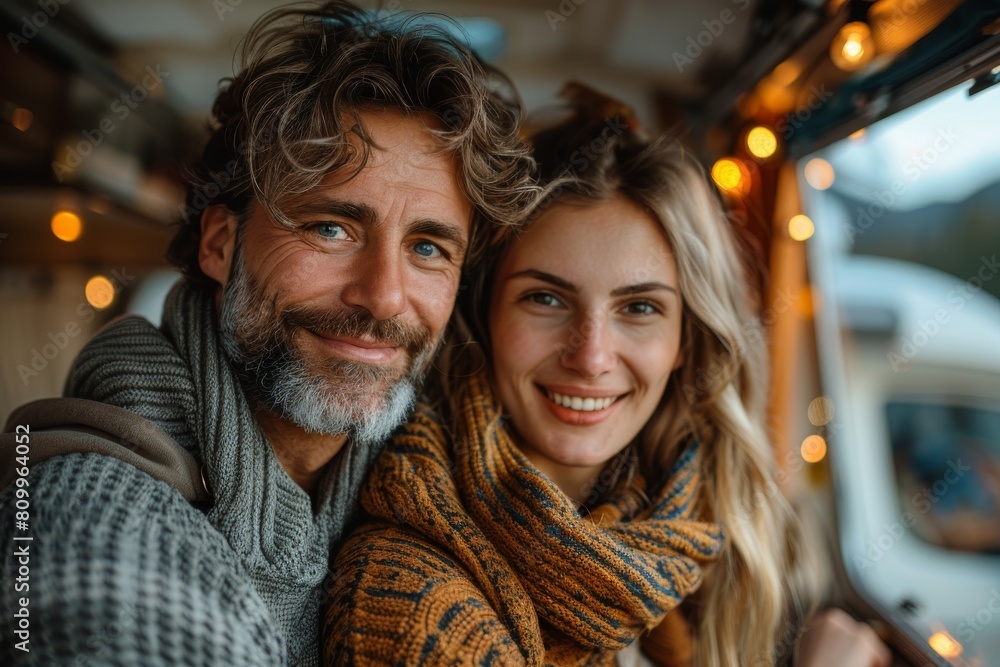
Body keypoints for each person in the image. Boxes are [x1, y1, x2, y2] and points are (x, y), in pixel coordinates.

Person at [0, 2, 536, 665]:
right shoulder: (91, 519)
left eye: (428, 247)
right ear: (221, 246)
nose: (384, 296)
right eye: (331, 228)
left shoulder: (451, 494)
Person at [323, 84, 892, 666]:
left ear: (685, 339)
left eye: (640, 308)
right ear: (482, 313)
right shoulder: (408, 599)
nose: (591, 356)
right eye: (545, 299)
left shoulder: (721, 535)